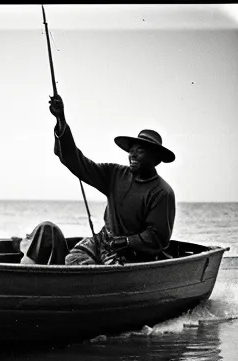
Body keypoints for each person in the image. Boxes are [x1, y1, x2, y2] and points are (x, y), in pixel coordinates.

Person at [20, 94, 176, 265]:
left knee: (93, 272)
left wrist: (127, 241)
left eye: (140, 150)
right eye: (131, 149)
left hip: (133, 255)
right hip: (103, 242)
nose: (132, 154)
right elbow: (77, 161)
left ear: (156, 159)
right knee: (74, 258)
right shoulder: (115, 174)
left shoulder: (162, 192)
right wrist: (61, 120)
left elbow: (157, 237)